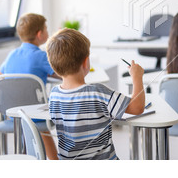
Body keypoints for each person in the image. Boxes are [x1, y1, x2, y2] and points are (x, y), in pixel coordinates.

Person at [47, 28, 145, 160]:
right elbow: (137, 108)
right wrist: (137, 77)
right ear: (86, 62)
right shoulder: (98, 92)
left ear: (54, 67)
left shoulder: (54, 95)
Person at [0, 13, 59, 160]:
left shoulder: (12, 54)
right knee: (43, 127)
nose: (47, 31)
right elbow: (62, 72)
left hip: (13, 115)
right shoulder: (41, 56)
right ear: (39, 34)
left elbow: (1, 75)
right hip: (35, 115)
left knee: (32, 116)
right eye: (46, 28)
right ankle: (56, 163)